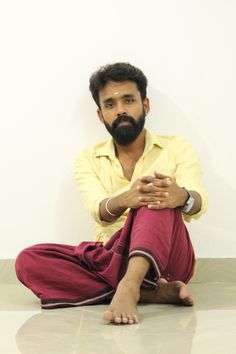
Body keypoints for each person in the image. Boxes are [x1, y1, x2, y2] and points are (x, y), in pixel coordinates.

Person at [15, 62, 207, 325]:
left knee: (153, 196)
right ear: (100, 114)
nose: (120, 110)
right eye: (110, 104)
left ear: (146, 105)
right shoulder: (88, 159)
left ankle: (130, 286)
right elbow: (99, 211)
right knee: (28, 260)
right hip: (111, 255)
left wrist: (182, 197)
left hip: (168, 259)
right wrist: (126, 198)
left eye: (128, 100)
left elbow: (198, 200)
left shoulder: (177, 147)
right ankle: (153, 292)